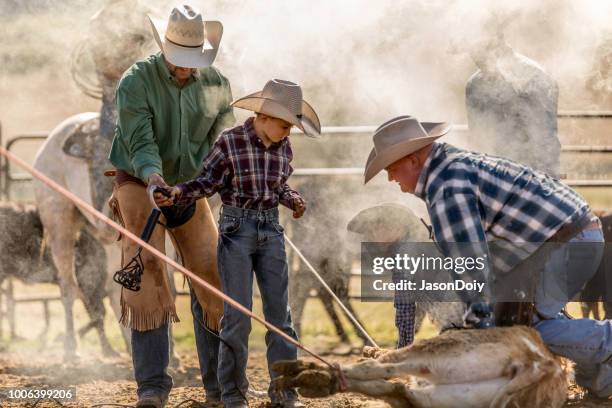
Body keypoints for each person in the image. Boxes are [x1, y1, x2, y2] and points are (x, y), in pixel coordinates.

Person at [363, 115, 612, 398]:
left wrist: (480, 325)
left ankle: (608, 343)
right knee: (531, 320)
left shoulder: (447, 188)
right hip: (572, 237)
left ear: (413, 160)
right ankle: (603, 381)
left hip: (567, 243)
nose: (390, 177)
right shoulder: (453, 168)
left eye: (391, 167)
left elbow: (469, 260)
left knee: (528, 331)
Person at [156, 79, 321, 408]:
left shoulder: (283, 148)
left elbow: (279, 188)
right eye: (284, 124)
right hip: (236, 229)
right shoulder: (229, 142)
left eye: (291, 126)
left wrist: (293, 199)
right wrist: (178, 193)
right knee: (237, 317)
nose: (289, 132)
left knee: (280, 316)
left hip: (271, 228)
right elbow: (207, 182)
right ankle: (233, 394)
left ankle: (285, 392)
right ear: (263, 116)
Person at [108, 5, 235, 407]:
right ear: (164, 46)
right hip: (138, 181)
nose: (185, 69)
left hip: (190, 187)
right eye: (179, 61)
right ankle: (152, 386)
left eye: (191, 62)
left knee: (211, 268)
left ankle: (217, 384)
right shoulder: (135, 82)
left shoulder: (216, 83)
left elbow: (222, 137)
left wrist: (218, 177)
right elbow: (140, 141)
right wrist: (154, 176)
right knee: (147, 268)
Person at [466, 34, 561, 178]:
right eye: (473, 54)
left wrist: (547, 179)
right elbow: (476, 137)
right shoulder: (475, 85)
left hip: (532, 174)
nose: (476, 60)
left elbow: (545, 138)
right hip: (492, 176)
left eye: (479, 54)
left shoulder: (535, 77)